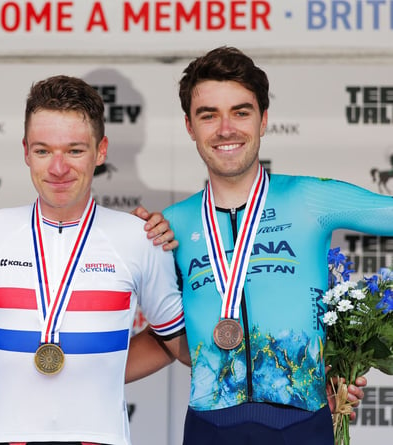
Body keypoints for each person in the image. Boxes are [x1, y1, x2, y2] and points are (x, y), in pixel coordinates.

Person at [128, 46, 393, 444]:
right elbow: (170, 340)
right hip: (208, 429)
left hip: (305, 426)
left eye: (240, 111)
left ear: (263, 119)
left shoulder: (310, 199)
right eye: (208, 115)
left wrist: (333, 361)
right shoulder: (171, 226)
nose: (226, 128)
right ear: (189, 126)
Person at [0, 74, 190, 445]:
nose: (57, 168)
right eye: (43, 150)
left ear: (101, 151)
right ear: (25, 151)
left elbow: (176, 345)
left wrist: (103, 365)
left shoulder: (139, 237)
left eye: (74, 150)